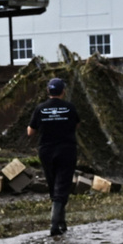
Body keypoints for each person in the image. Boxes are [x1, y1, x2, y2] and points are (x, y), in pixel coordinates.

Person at [26, 77, 80, 235]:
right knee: (63, 185)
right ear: (63, 91)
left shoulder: (40, 108)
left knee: (53, 184)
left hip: (46, 151)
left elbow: (30, 132)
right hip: (66, 150)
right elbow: (77, 124)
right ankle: (55, 224)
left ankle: (61, 222)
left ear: (48, 91)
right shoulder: (69, 107)